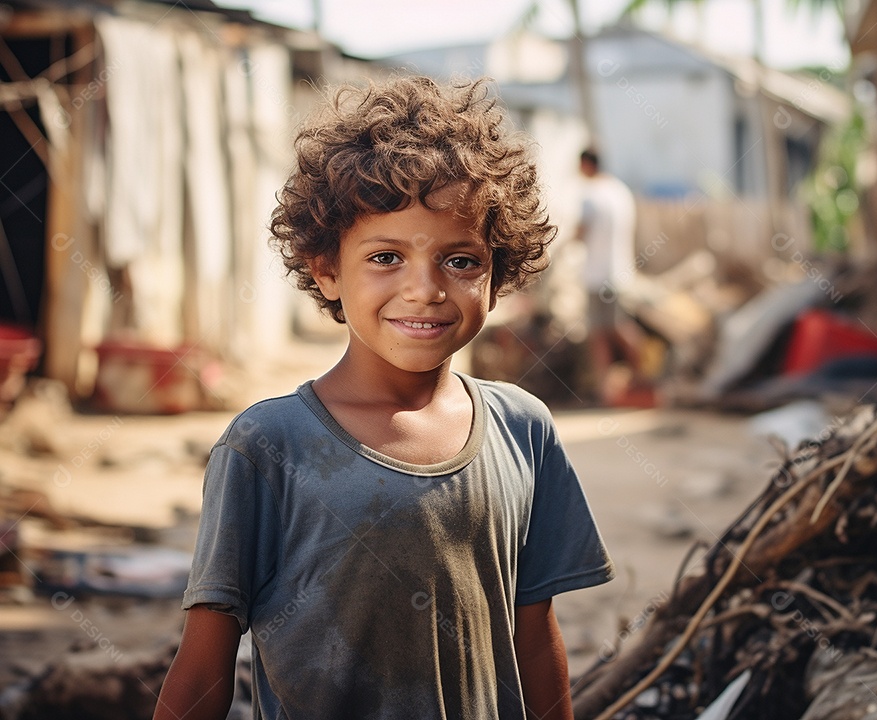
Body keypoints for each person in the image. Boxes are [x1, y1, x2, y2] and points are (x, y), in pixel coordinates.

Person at [153, 76, 614, 720]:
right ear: (326, 269)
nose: (424, 289)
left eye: (459, 261)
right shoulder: (268, 445)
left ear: (498, 270)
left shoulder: (523, 429)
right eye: (386, 257)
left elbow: (534, 639)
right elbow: (203, 666)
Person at [576, 149, 647, 405]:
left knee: (600, 332)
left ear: (585, 165)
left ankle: (606, 391)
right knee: (619, 326)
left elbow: (580, 232)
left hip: (597, 275)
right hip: (620, 273)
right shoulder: (621, 192)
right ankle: (641, 377)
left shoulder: (592, 195)